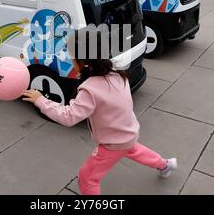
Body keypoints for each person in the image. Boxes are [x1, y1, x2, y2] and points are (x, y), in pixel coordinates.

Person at [22, 28, 178, 195]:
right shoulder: (116, 73)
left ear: (84, 62)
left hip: (113, 143)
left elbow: (68, 117)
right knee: (133, 149)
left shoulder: (90, 90)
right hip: (127, 132)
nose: (71, 60)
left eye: (72, 57)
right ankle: (165, 164)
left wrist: (41, 100)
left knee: (87, 177)